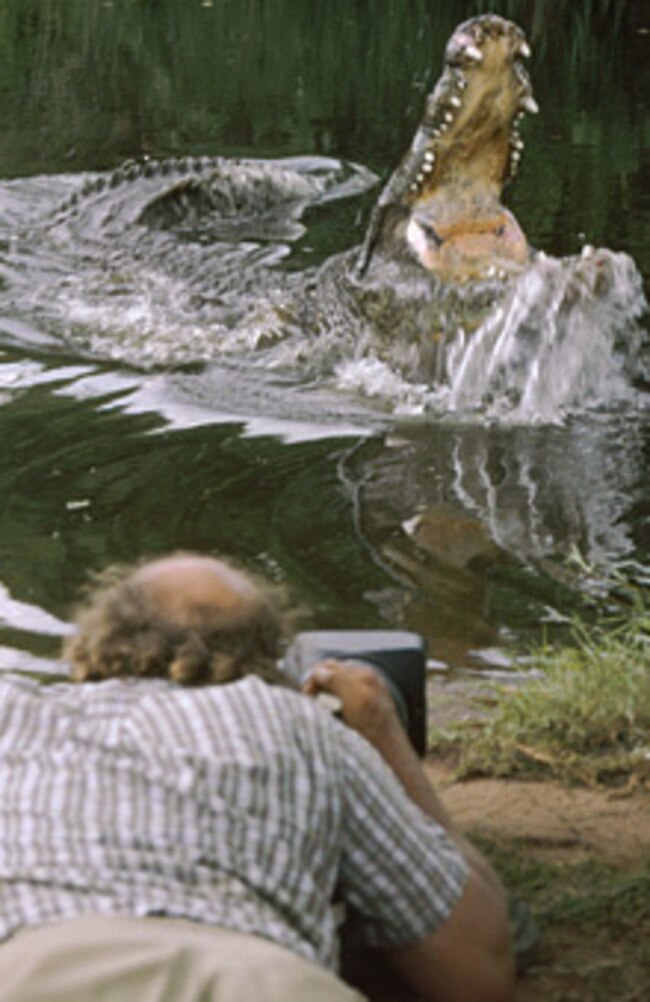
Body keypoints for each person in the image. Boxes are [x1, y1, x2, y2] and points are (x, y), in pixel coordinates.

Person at [0, 553, 515, 1002]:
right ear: (269, 659)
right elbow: (476, 970)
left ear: (96, 636)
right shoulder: (297, 724)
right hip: (251, 978)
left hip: (32, 972)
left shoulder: (11, 715)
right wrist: (381, 735)